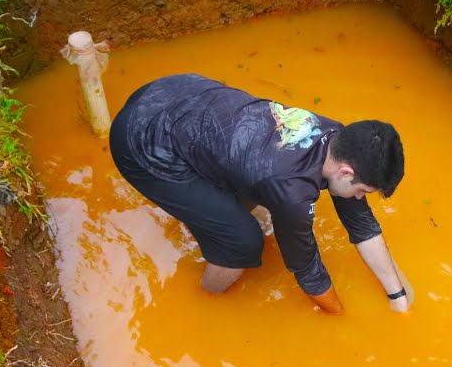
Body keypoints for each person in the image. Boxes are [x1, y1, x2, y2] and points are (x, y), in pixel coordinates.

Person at [109, 73, 412, 314]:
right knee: (242, 242)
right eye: (363, 192)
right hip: (140, 143)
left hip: (175, 90)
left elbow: (361, 224)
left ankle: (218, 219)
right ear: (346, 172)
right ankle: (205, 303)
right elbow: (308, 269)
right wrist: (341, 318)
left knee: (252, 193)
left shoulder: (338, 137)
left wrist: (396, 295)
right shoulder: (290, 191)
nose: (360, 199)